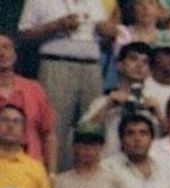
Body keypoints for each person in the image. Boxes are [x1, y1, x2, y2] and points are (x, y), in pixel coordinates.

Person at [17, 0, 115, 171]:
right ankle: (53, 180)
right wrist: (56, 25)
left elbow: (104, 31)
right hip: (57, 63)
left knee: (94, 125)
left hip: (91, 66)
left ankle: (92, 180)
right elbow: (25, 33)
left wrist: (107, 31)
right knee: (54, 127)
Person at [0, 33, 58, 172]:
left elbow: (49, 134)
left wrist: (51, 174)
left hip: (31, 171)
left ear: (15, 54)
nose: (2, 53)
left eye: (6, 47)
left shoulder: (34, 89)